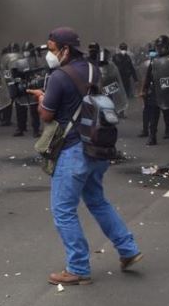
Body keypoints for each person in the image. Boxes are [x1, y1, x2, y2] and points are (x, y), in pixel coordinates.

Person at [26, 27, 142, 286]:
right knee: (97, 201)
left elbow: (47, 115)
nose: (50, 55)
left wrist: (41, 99)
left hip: (72, 150)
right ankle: (128, 249)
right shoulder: (92, 69)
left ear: (65, 49)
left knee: (63, 210)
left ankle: (78, 267)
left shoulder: (58, 76)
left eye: (53, 49)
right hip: (96, 146)